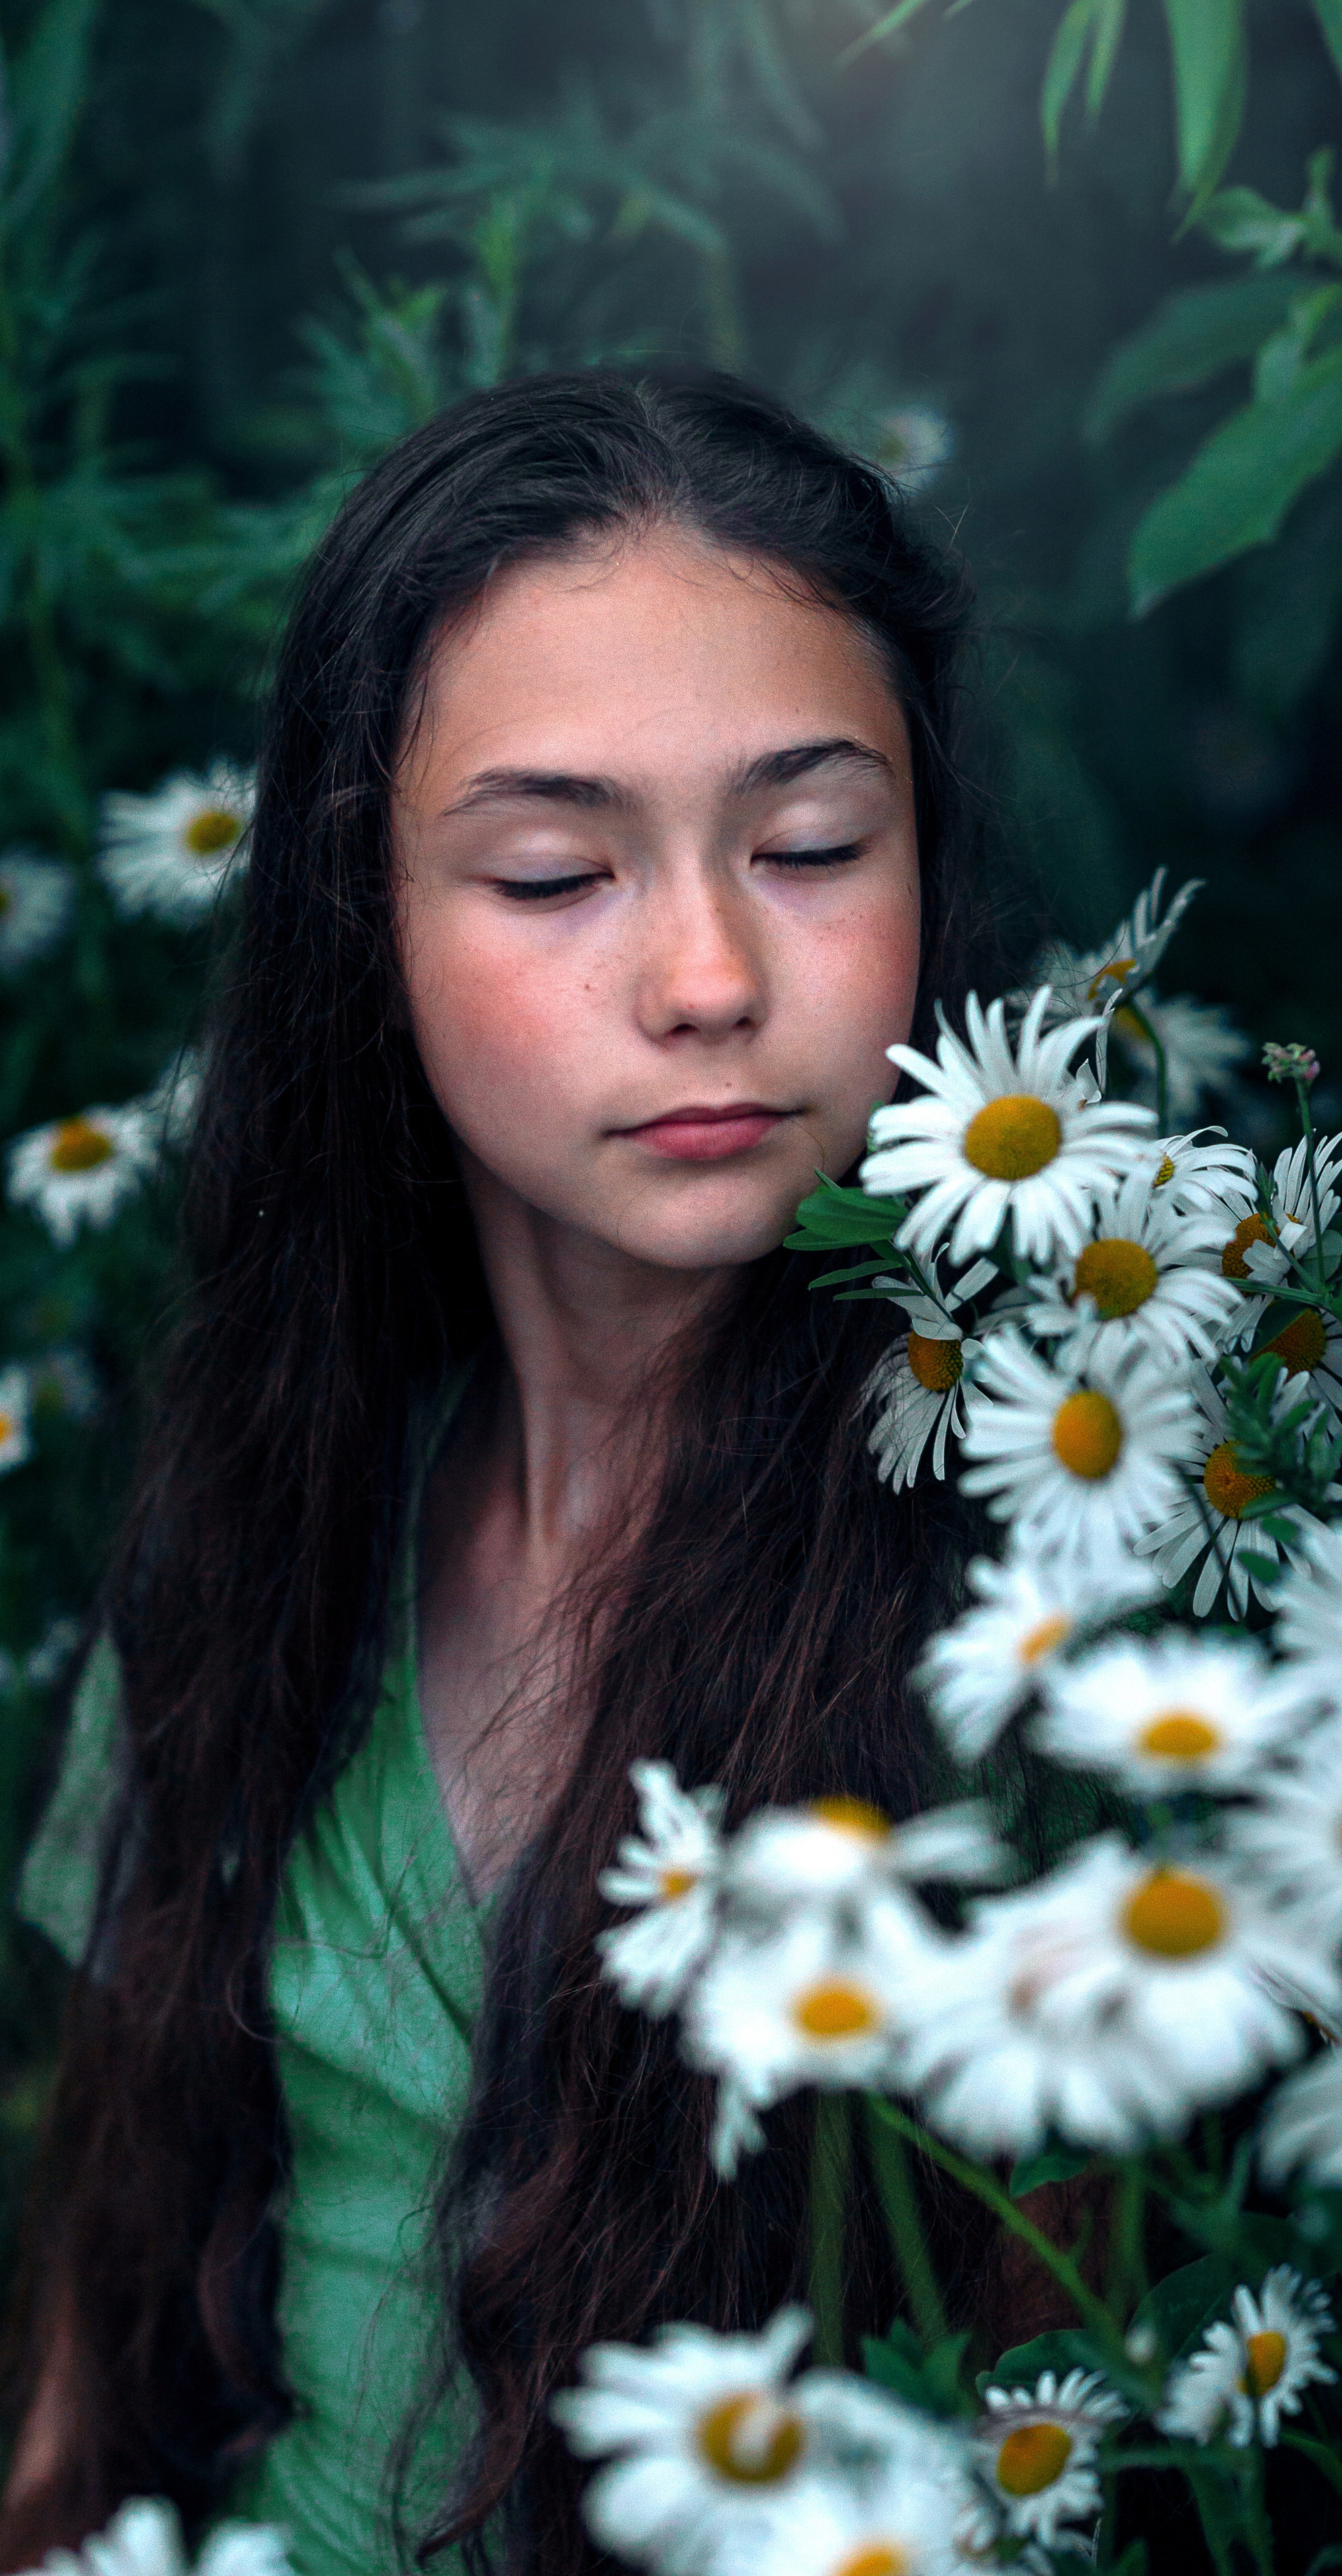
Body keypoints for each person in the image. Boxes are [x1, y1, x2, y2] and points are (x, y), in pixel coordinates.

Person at [0, 371, 1017, 2575]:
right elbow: (112, 2281)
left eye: (815, 844)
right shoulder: (268, 1517)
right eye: (557, 868)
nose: (711, 976)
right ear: (364, 921)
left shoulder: (1059, 1625)